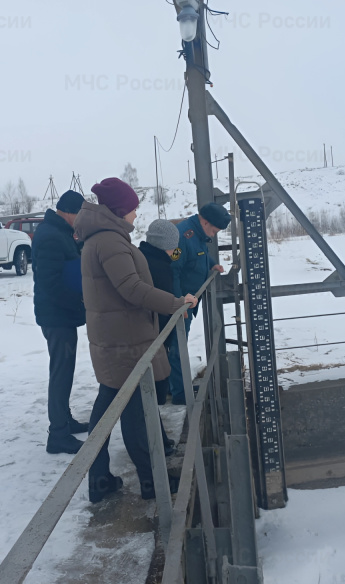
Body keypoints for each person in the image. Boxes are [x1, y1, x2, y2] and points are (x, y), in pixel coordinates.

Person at [75, 177, 197, 502]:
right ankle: (152, 482)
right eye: (132, 210)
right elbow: (131, 288)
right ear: (119, 210)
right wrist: (176, 303)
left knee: (106, 416)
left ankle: (99, 481)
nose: (135, 216)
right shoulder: (110, 241)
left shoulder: (101, 239)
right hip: (125, 344)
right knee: (136, 417)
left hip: (115, 340)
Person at [32, 190, 89, 455]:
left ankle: (64, 420)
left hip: (62, 314)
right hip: (57, 316)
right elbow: (50, 283)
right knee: (61, 373)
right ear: (69, 212)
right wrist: (78, 304)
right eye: (79, 215)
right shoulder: (50, 237)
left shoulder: (59, 233)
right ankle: (57, 435)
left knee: (64, 370)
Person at [168, 202, 231, 404]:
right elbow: (173, 271)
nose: (213, 234)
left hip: (189, 302)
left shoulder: (197, 233)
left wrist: (212, 264)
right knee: (177, 346)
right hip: (181, 304)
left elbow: (199, 253)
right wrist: (178, 303)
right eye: (213, 229)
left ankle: (176, 386)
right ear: (205, 221)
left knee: (179, 344)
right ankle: (179, 393)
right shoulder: (182, 236)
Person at [139, 219, 182, 405]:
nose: (176, 252)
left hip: (150, 329)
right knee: (158, 381)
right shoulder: (159, 268)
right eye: (173, 247)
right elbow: (161, 302)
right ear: (164, 244)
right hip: (156, 333)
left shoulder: (146, 257)